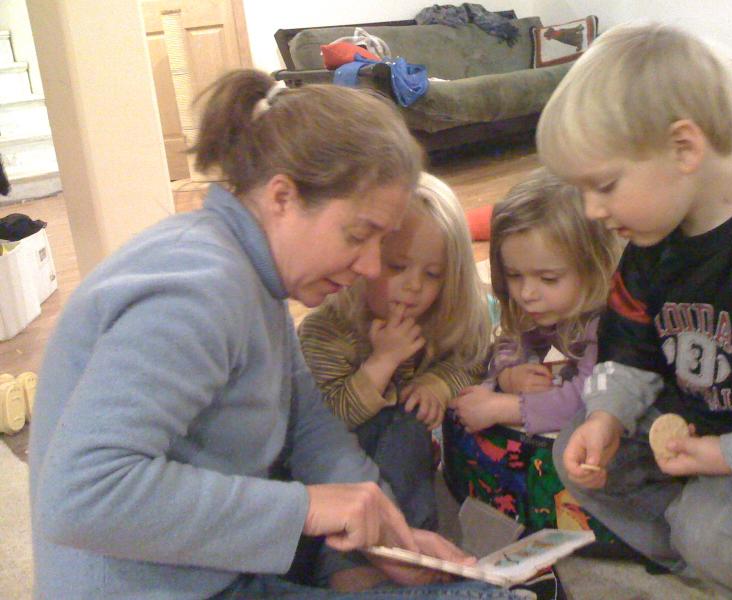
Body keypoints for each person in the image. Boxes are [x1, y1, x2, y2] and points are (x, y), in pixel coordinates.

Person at [27, 69, 532, 600]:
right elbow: (79, 496)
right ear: (282, 197)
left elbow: (309, 424)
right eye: (359, 235)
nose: (370, 265)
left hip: (212, 566)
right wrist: (309, 508)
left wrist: (389, 534)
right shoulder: (198, 291)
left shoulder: (253, 278)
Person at [535, 22, 732, 599]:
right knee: (575, 453)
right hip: (690, 424)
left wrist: (729, 455)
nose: (591, 210)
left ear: (684, 148)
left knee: (717, 536)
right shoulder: (650, 244)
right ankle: (698, 557)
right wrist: (606, 417)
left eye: (604, 185)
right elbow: (630, 346)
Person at [298, 173, 491, 587]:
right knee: (398, 427)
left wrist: (439, 383)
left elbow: (474, 357)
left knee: (407, 428)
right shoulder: (327, 330)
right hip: (335, 476)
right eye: (397, 267)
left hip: (402, 468)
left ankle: (410, 547)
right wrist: (381, 363)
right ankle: (352, 567)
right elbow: (323, 423)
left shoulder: (441, 319)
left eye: (433, 274)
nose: (414, 286)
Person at [450, 168, 620, 435]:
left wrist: (502, 407)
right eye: (514, 275)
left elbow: (591, 400)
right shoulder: (551, 304)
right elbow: (511, 339)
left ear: (595, 267)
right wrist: (508, 374)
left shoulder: (610, 322)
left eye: (548, 278)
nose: (527, 293)